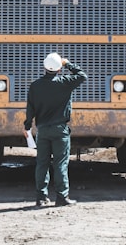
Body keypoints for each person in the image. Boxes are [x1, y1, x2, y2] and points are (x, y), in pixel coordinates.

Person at [23, 52, 87, 207]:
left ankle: (41, 197)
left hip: (42, 130)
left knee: (42, 163)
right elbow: (82, 75)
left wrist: (27, 127)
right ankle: (62, 197)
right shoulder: (64, 82)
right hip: (60, 130)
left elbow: (30, 109)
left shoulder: (35, 86)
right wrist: (68, 63)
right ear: (59, 69)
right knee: (60, 164)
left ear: (44, 67)